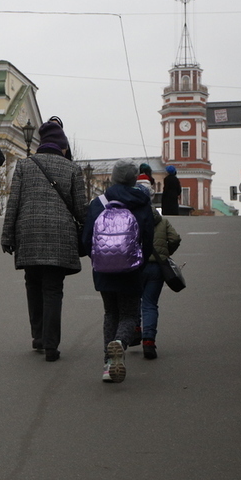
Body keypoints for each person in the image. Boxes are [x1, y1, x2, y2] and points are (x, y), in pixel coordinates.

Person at [0, 121, 86, 362]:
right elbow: (81, 211)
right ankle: (51, 346)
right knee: (53, 290)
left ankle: (38, 336)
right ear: (62, 145)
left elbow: (13, 203)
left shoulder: (25, 166)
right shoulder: (72, 169)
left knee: (33, 284)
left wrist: (7, 236)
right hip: (60, 237)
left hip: (28, 234)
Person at [81, 160, 155, 382]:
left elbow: (86, 239)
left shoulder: (99, 203)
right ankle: (120, 343)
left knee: (110, 313)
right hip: (131, 269)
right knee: (129, 314)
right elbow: (148, 238)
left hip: (103, 269)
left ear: (113, 178)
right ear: (134, 179)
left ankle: (107, 365)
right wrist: (140, 262)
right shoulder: (142, 204)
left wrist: (98, 259)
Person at [140, 206, 181, 361]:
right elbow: (175, 239)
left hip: (136, 266)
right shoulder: (163, 222)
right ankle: (149, 341)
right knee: (150, 304)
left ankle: (135, 330)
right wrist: (166, 252)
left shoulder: (133, 220)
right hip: (157, 267)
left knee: (133, 299)